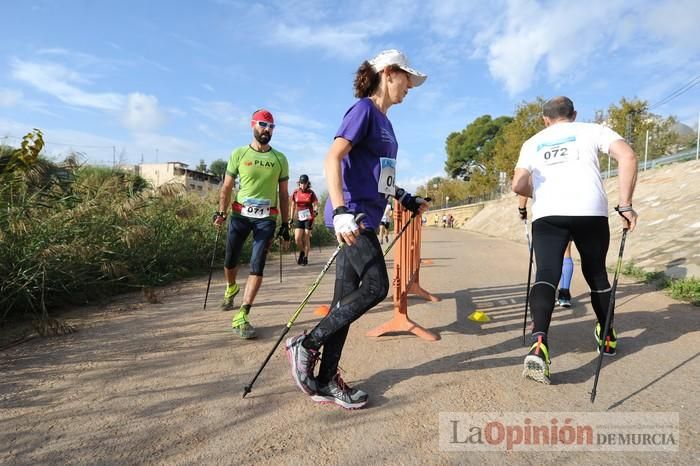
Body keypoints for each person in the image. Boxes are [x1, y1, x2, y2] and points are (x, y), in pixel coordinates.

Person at [285, 49, 429, 409]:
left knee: (343, 303)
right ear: (389, 73)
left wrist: (407, 198)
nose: (410, 87)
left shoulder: (386, 124)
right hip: (354, 217)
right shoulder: (363, 110)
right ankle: (308, 343)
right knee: (377, 286)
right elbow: (332, 157)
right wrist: (343, 211)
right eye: (407, 79)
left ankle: (325, 379)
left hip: (366, 211)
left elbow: (382, 177)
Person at [512, 96, 638, 385]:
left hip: (548, 215)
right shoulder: (593, 130)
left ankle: (539, 342)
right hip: (590, 212)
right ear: (574, 114)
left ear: (545, 119)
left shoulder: (533, 142)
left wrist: (541, 192)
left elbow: (518, 184)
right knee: (596, 274)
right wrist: (625, 204)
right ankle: (606, 335)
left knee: (546, 275)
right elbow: (628, 156)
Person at [213, 109, 291, 339]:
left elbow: (284, 195)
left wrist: (285, 224)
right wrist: (221, 212)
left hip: (266, 218)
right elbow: (227, 187)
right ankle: (231, 287)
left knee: (257, 264)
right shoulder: (239, 154)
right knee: (230, 261)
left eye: (271, 127)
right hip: (239, 215)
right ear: (252, 125)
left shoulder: (280, 159)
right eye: (263, 124)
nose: (267, 130)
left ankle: (243, 314)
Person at [518, 196, 575, 308]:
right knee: (566, 252)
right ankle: (564, 296)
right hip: (570, 211)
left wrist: (522, 209)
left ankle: (546, 295)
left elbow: (521, 188)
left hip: (546, 215)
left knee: (547, 256)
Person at [289, 174, 319, 266]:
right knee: (297, 238)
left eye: (305, 183)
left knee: (306, 238)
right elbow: (293, 206)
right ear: (299, 183)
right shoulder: (295, 192)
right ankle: (302, 252)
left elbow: (315, 204)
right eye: (301, 183)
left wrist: (315, 210)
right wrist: (291, 218)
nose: (303, 185)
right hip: (299, 217)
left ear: (307, 183)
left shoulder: (311, 193)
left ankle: (305, 257)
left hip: (309, 218)